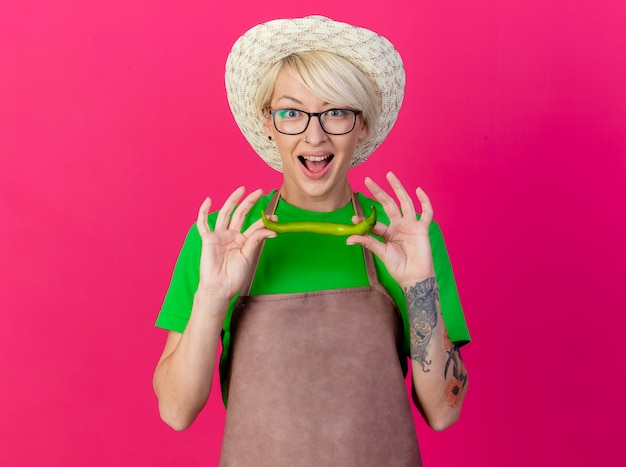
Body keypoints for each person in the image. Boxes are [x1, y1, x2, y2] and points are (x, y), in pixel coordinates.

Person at [153, 16, 470, 466]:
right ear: (268, 122)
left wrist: (420, 286)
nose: (314, 134)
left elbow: (444, 410)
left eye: (336, 111)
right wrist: (211, 297)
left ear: (361, 125)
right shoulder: (224, 238)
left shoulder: (405, 234)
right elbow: (175, 410)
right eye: (291, 112)